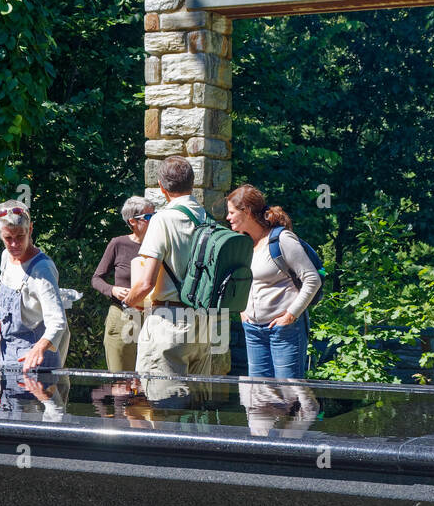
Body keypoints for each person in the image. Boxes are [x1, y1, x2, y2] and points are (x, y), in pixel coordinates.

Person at [124, 157, 213, 378]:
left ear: (161, 187)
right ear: (192, 183)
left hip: (168, 322)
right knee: (197, 407)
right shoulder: (207, 219)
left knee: (163, 403)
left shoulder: (162, 220)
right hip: (203, 324)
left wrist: (128, 303)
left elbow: (146, 283)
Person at [225, 184, 321, 379]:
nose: (228, 217)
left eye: (232, 212)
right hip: (252, 329)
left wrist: (290, 316)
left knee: (287, 397)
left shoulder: (281, 239)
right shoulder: (243, 242)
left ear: (248, 212)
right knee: (258, 396)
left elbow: (312, 279)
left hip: (284, 330)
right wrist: (243, 311)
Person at [0, 200, 70, 374]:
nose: (14, 245)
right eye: (8, 238)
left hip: (36, 364)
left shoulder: (42, 269)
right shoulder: (6, 257)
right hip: (7, 358)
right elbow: (7, 301)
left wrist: (40, 348)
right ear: (0, 235)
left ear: (30, 230)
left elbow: (58, 322)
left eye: (20, 237)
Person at [91, 196, 152, 372]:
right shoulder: (118, 243)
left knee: (150, 385)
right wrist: (113, 290)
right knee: (122, 384)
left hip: (153, 319)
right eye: (148, 217)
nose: (154, 220)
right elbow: (96, 279)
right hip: (123, 318)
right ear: (132, 221)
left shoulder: (160, 245)